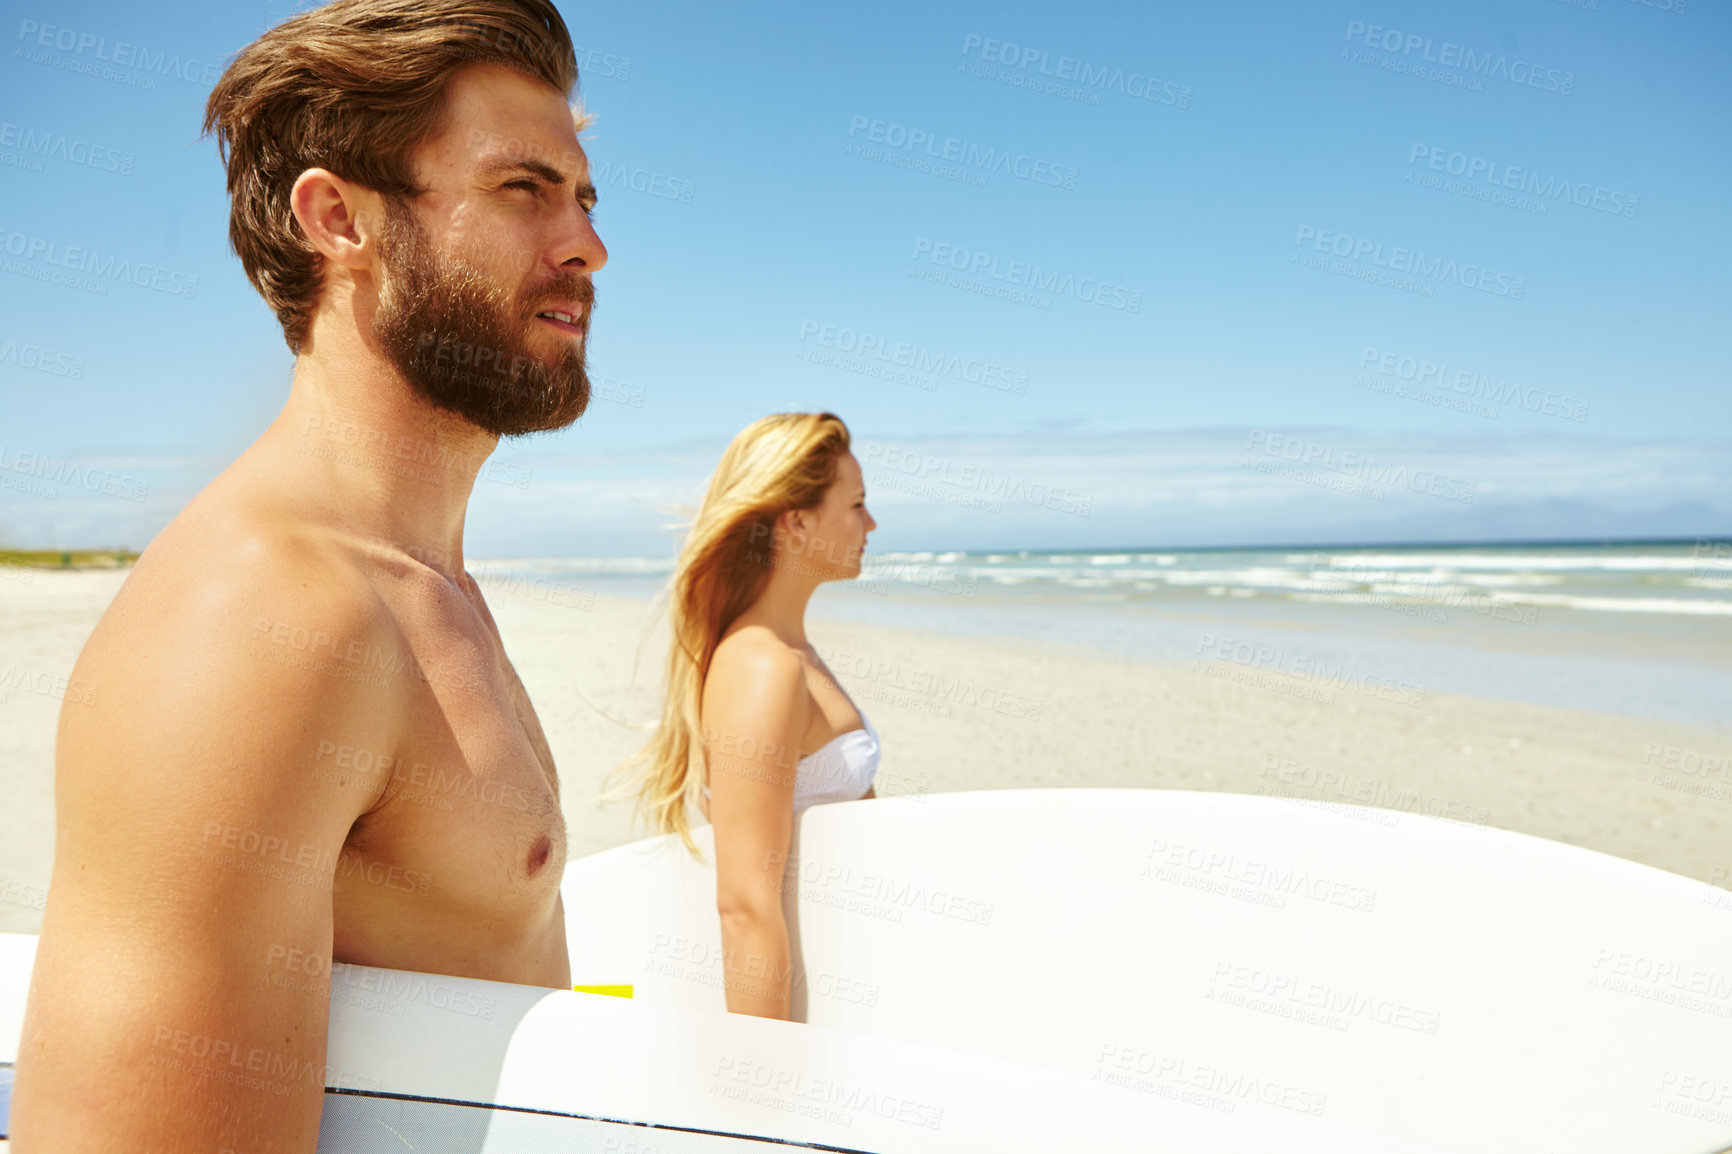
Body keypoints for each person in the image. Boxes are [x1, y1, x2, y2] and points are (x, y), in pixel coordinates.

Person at [9, 2, 606, 1149]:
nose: (586, 245)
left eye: (583, 197)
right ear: (339, 218)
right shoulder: (269, 612)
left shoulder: (421, 583)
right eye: (522, 189)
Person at [611, 412, 880, 1020]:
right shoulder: (763, 667)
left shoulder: (790, 653)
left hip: (843, 987)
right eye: (857, 504)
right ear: (798, 521)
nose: (871, 523)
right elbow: (745, 906)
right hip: (800, 1015)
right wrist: (764, 1088)